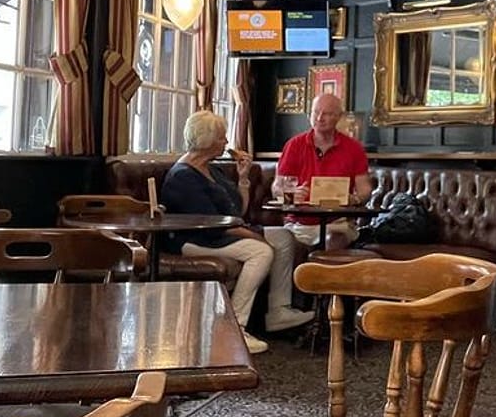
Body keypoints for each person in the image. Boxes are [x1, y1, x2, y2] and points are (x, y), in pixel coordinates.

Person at [160, 110, 314, 355]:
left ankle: (278, 310)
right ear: (207, 141)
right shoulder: (183, 177)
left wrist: (243, 179)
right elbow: (216, 224)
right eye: (222, 137)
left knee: (284, 237)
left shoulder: (214, 170)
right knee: (261, 251)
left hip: (224, 233)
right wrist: (253, 235)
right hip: (195, 240)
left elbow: (237, 210)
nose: (226, 143)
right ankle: (235, 327)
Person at [276, 92, 373, 249]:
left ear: (339, 117)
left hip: (337, 223)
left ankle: (327, 272)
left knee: (334, 239)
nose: (320, 118)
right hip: (298, 223)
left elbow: (365, 190)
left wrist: (353, 199)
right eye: (316, 112)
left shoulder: (354, 148)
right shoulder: (294, 145)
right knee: (285, 244)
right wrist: (291, 193)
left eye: (327, 113)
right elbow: (277, 187)